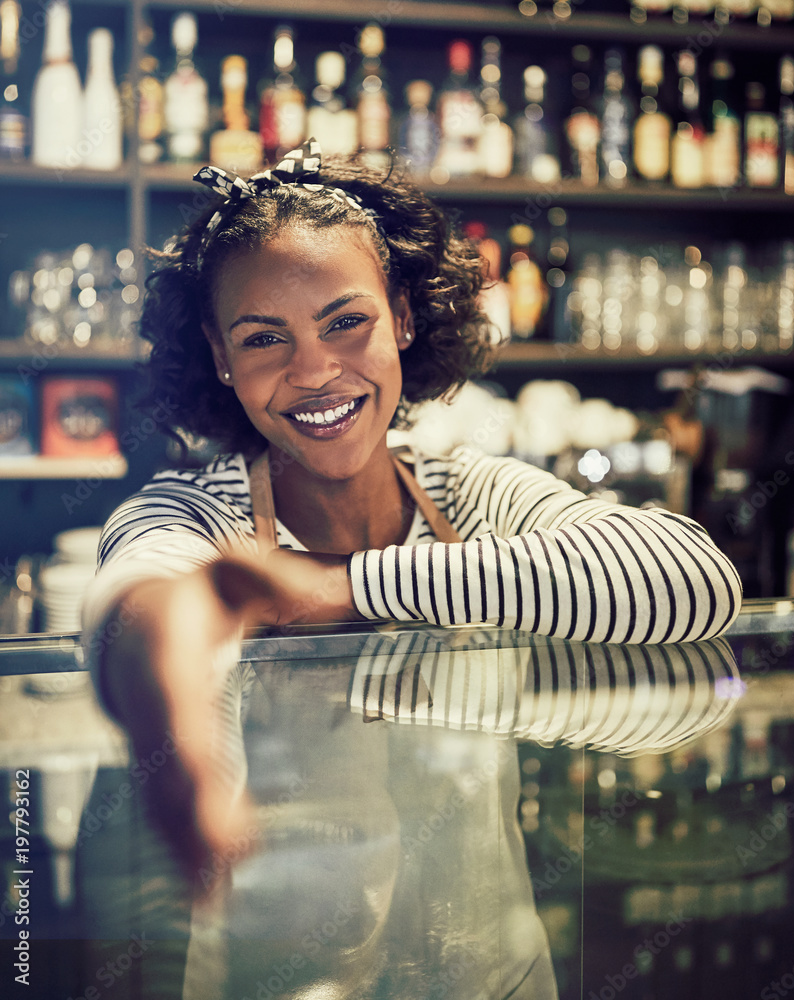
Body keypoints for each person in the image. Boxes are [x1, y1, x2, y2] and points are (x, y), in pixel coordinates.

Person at [81, 139, 741, 989]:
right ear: (219, 356)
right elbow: (142, 605)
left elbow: (693, 580)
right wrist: (173, 709)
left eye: (346, 321)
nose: (315, 371)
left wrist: (336, 587)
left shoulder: (472, 494)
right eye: (263, 338)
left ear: (401, 315)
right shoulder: (194, 514)